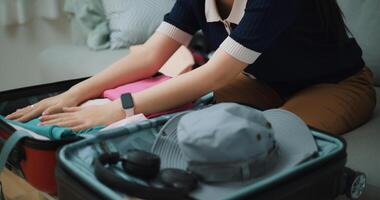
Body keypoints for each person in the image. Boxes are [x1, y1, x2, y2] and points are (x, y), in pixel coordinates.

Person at [6, 0, 376, 135]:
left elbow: (218, 73)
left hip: (338, 84)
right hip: (264, 81)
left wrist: (119, 108)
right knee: (173, 117)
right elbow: (150, 56)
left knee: (272, 140)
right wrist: (75, 93)